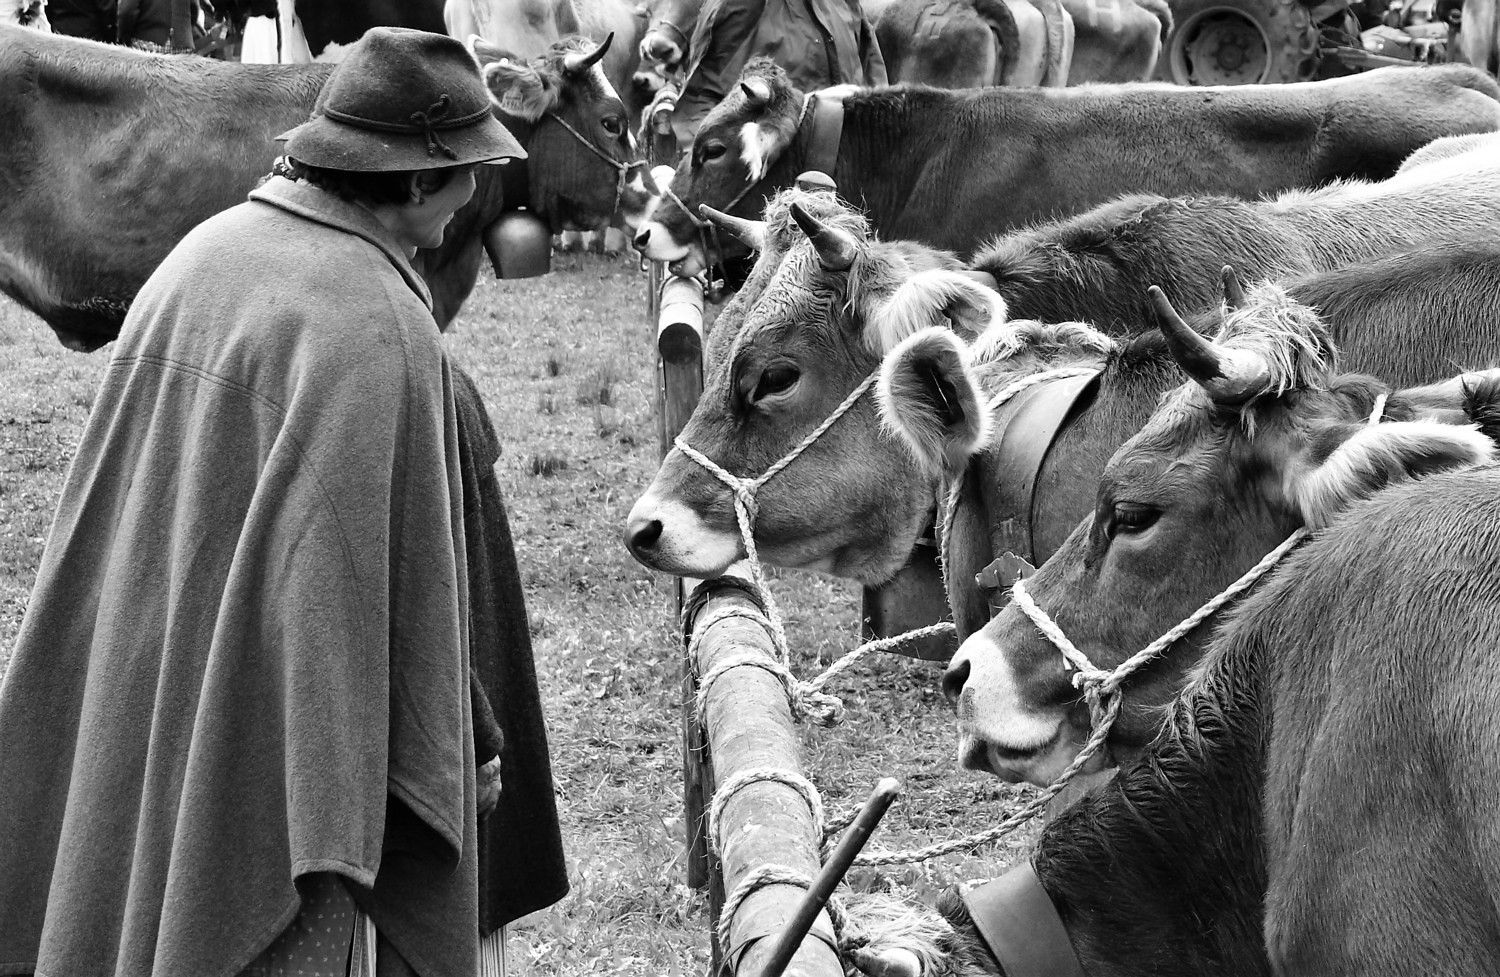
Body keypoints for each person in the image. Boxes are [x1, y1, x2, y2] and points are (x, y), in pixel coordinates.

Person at [0, 26, 558, 977]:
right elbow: (371, 598)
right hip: (277, 758)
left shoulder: (204, 251)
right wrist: (458, 747)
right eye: (467, 169)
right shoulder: (382, 325)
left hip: (159, 678)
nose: (479, 189)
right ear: (416, 181)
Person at [669, 0, 889, 144]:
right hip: (766, 183)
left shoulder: (845, 4)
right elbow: (700, 100)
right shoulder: (737, 5)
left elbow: (875, 83)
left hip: (846, 172)